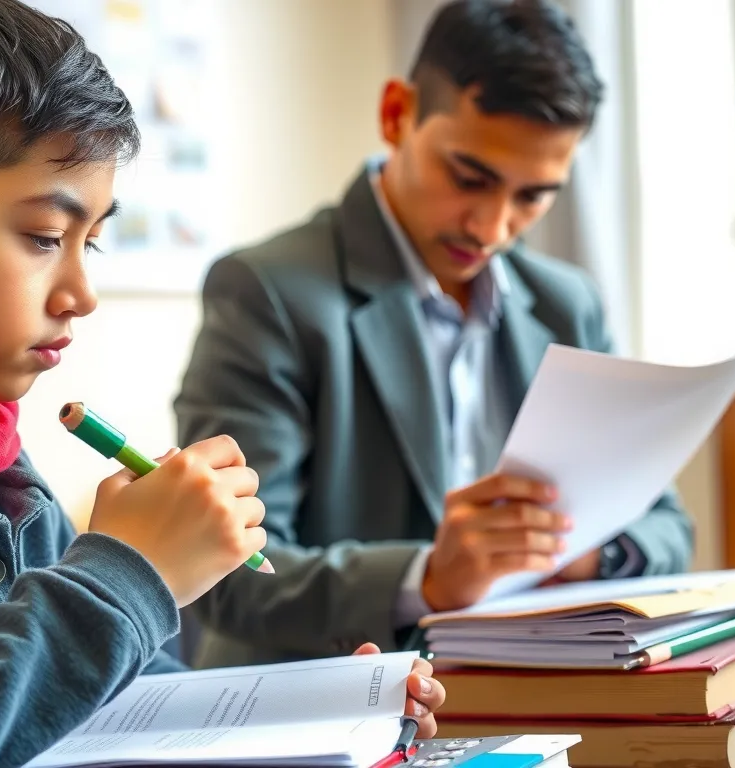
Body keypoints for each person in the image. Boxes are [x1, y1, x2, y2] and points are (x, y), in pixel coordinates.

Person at [0, 2, 444, 766]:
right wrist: (128, 572)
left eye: (90, 242)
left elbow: (104, 708)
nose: (82, 295)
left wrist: (308, 711)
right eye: (45, 237)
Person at [175, 0, 694, 670]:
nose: (493, 228)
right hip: (321, 701)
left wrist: (585, 552)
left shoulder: (569, 304)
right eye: (469, 178)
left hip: (525, 689)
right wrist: (426, 579)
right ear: (396, 114)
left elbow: (668, 526)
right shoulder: (268, 291)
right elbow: (228, 570)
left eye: (533, 196)